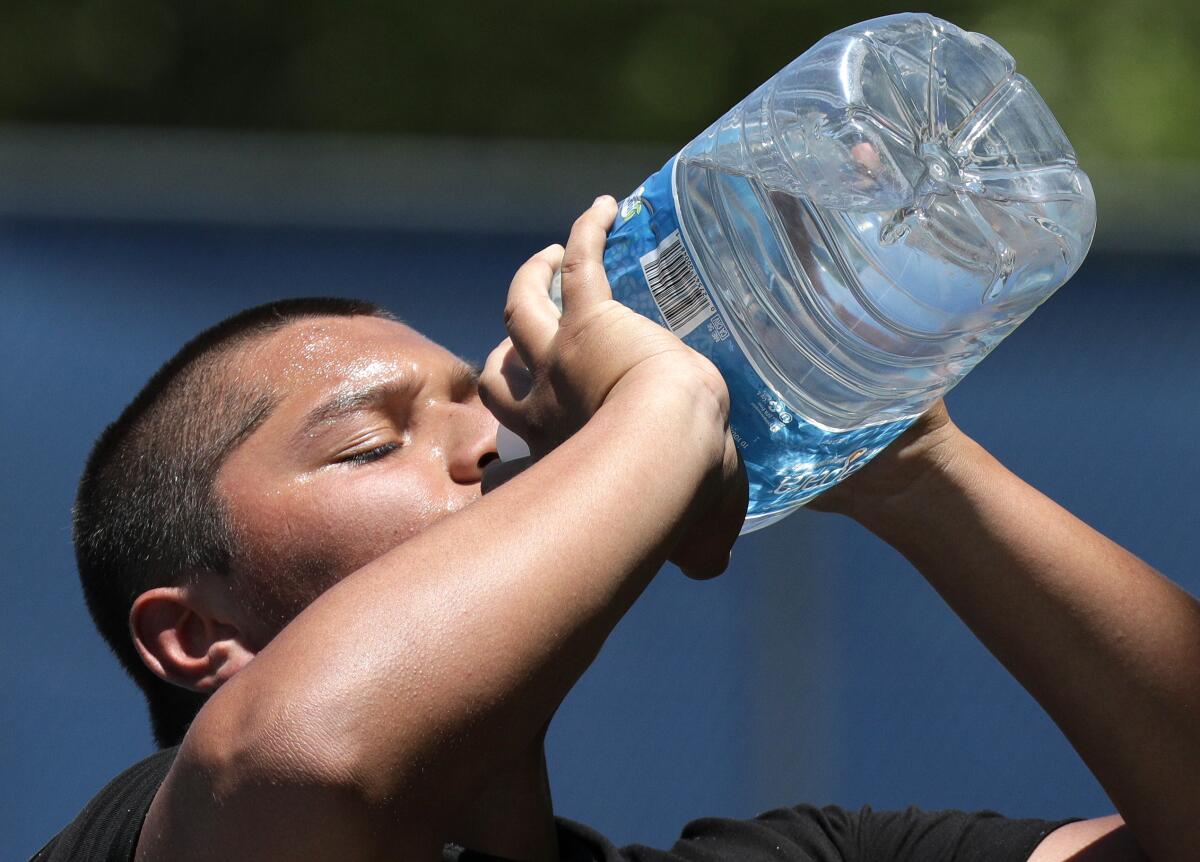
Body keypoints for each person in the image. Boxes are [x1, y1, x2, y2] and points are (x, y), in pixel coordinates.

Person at [32, 197, 1196, 862]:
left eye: (480, 409)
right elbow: (306, 762)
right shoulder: (167, 838)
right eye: (372, 444)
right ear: (197, 634)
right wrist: (669, 403)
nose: (491, 445)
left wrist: (912, 469)